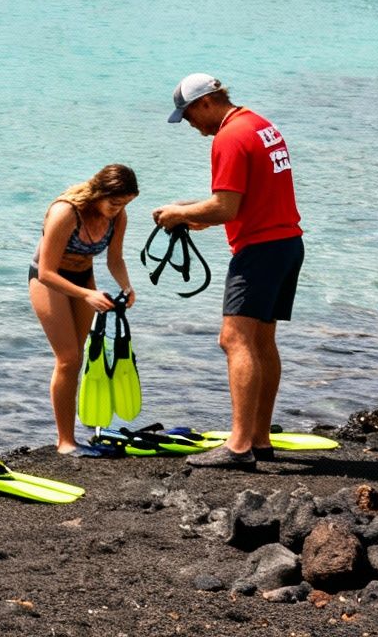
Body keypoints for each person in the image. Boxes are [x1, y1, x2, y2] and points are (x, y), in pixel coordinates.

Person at [152, 74, 303, 470]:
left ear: (205, 103)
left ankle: (237, 447)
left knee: (233, 340)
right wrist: (198, 218)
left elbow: (225, 207)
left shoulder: (229, 137)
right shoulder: (261, 125)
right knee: (261, 341)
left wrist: (178, 212)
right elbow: (248, 199)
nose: (190, 125)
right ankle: (260, 439)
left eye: (188, 116)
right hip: (286, 243)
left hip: (260, 251)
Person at [29, 164, 140, 455]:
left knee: (79, 360)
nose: (118, 209)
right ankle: (65, 441)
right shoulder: (66, 212)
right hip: (49, 281)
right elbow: (46, 271)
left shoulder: (118, 216)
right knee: (67, 358)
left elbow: (114, 259)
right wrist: (87, 295)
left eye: (125, 204)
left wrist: (126, 287)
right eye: (114, 202)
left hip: (83, 279)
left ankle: (82, 427)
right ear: (98, 193)